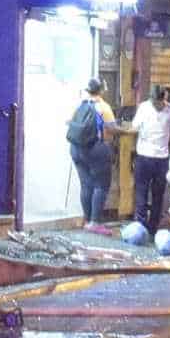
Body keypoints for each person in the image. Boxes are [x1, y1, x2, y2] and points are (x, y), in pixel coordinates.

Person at [129, 82, 170, 238]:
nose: (159, 104)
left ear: (164, 98)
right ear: (151, 99)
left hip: (162, 159)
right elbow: (134, 128)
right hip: (144, 157)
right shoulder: (144, 108)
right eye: (156, 102)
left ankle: (153, 228)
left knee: (158, 194)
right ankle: (140, 225)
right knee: (141, 192)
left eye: (161, 101)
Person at [67, 82, 116, 228]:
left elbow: (69, 122)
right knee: (100, 185)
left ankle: (87, 220)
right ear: (101, 90)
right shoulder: (103, 107)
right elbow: (112, 128)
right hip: (96, 149)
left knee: (86, 185)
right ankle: (94, 222)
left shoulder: (80, 105)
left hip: (76, 148)